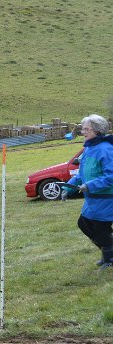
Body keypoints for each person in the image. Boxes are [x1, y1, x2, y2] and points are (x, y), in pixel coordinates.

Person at [64, 114, 113, 268]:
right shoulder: (89, 148)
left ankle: (109, 259)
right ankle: (108, 253)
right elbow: (81, 174)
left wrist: (90, 185)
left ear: (97, 131)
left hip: (106, 198)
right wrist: (67, 188)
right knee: (84, 224)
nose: (82, 132)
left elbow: (110, 176)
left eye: (86, 129)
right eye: (82, 128)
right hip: (92, 199)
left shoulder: (106, 149)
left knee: (101, 230)